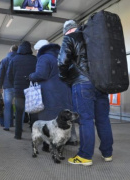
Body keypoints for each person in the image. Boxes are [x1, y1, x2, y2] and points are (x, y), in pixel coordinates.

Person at [58, 20, 113, 166]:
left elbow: (62, 62)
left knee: (85, 120)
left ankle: (85, 156)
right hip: (101, 83)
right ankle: (107, 153)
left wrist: (64, 77)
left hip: (82, 84)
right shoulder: (93, 38)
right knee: (103, 119)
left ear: (66, 31)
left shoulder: (70, 38)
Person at [29, 39, 77, 152]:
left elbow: (41, 74)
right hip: (64, 90)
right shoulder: (61, 56)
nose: (36, 53)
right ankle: (69, 139)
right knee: (64, 116)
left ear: (39, 49)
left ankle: (48, 144)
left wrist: (31, 76)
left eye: (36, 51)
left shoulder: (44, 58)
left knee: (48, 118)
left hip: (49, 93)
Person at [7, 41, 37, 139]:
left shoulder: (14, 60)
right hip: (32, 90)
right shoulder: (34, 59)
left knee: (19, 113)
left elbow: (9, 75)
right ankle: (34, 134)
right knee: (33, 113)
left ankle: (18, 134)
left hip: (19, 91)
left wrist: (15, 85)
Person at [0, 45, 18, 131]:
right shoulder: (19, 59)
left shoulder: (5, 60)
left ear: (10, 50)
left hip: (7, 87)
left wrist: (0, 86)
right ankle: (18, 126)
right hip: (18, 86)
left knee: (7, 107)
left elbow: (1, 74)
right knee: (19, 107)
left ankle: (7, 126)